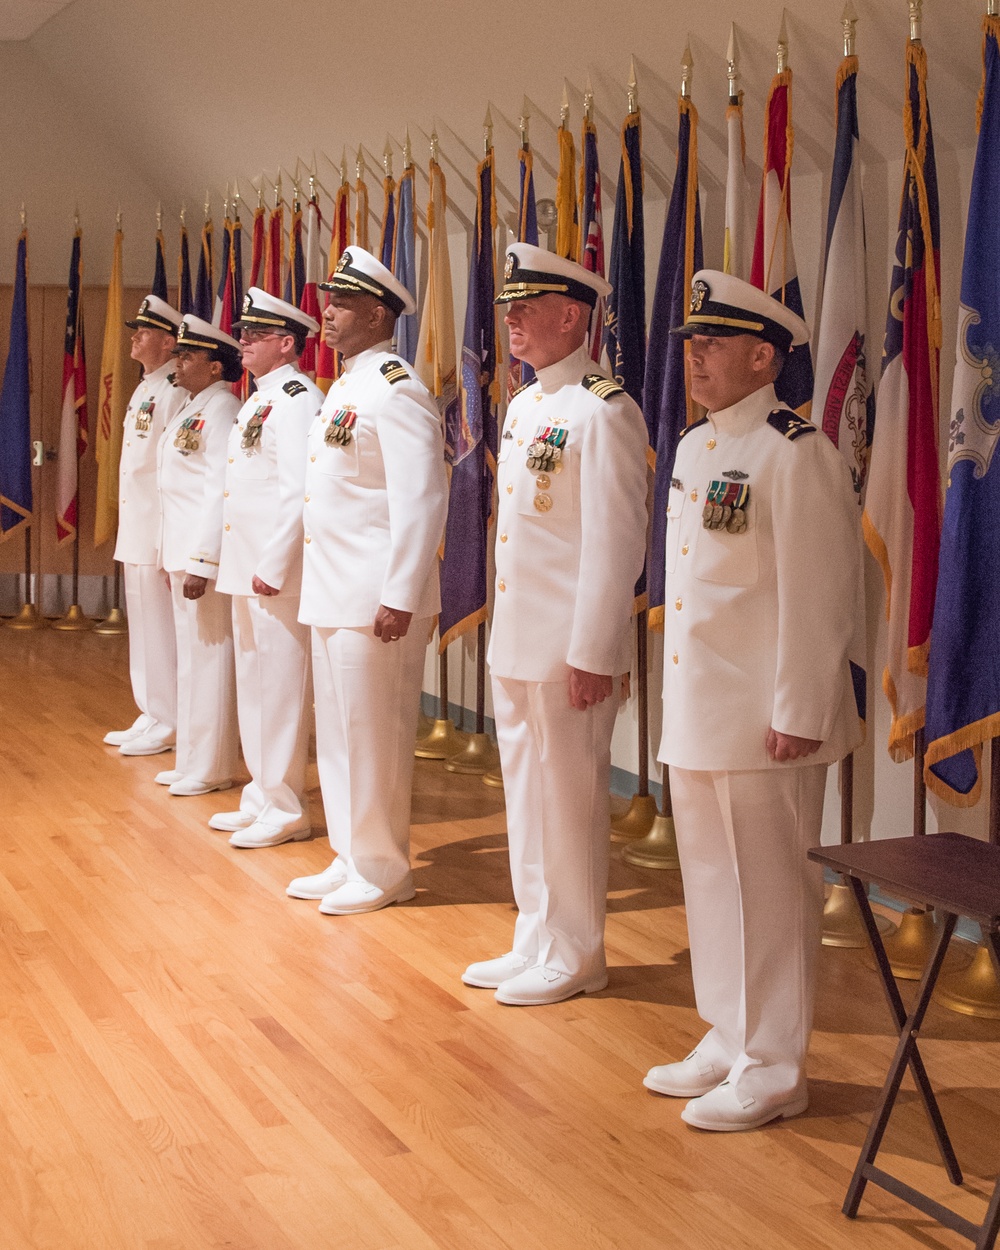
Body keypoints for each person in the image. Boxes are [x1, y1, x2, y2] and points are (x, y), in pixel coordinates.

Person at [645, 270, 863, 1131]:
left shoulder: (795, 451)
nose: (694, 356)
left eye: (712, 343)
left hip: (768, 721)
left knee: (771, 894)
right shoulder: (700, 448)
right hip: (703, 711)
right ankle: (729, 1034)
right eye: (691, 342)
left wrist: (800, 710)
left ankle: (775, 1066)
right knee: (711, 883)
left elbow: (823, 594)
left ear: (763, 355)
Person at [462, 243, 648, 1006]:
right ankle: (536, 934)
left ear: (571, 315)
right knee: (527, 797)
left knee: (568, 804)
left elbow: (615, 543)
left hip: (571, 648)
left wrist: (594, 650)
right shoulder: (527, 404)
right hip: (521, 640)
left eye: (525, 307)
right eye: (509, 307)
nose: (510, 320)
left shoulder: (604, 410)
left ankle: (576, 951)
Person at [287, 247, 447, 915]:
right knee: (343, 733)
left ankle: (382, 868)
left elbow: (422, 498)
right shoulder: (348, 386)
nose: (326, 313)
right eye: (330, 300)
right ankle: (352, 854)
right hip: (334, 588)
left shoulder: (396, 388)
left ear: (378, 313)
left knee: (375, 735)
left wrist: (399, 594)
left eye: (342, 303)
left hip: (375, 597)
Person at [211, 289, 323, 847]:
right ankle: (262, 792)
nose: (243, 342)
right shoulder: (258, 398)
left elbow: (298, 489)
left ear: (287, 343)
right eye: (243, 333)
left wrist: (276, 563)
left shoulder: (298, 396)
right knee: (254, 683)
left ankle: (286, 805)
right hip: (247, 564)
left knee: (279, 687)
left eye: (256, 335)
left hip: (276, 570)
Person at [154, 315, 242, 797]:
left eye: (189, 355)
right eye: (180, 353)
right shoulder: (193, 407)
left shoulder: (223, 408)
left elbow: (217, 491)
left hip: (200, 557)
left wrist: (203, 560)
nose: (179, 361)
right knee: (190, 659)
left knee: (209, 658)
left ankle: (210, 765)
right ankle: (190, 756)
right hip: (181, 552)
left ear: (214, 367)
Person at [104, 295, 186, 756]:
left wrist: (162, 541)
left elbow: (172, 472)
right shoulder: (146, 387)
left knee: (161, 628)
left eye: (146, 330)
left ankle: (170, 717)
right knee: (144, 625)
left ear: (170, 341)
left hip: (156, 530)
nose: (135, 336)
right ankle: (152, 709)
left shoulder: (174, 391)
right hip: (136, 526)